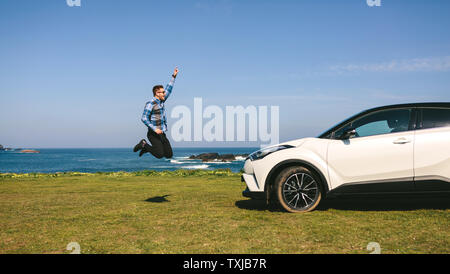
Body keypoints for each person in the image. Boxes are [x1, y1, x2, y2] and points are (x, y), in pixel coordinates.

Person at [133, 67, 179, 158]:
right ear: (157, 93)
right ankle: (143, 144)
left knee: (169, 155)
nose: (164, 93)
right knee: (159, 154)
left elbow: (169, 89)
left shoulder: (161, 101)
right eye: (162, 92)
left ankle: (146, 148)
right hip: (153, 134)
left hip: (161, 133)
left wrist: (173, 77)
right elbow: (144, 118)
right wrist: (155, 129)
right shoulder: (151, 103)